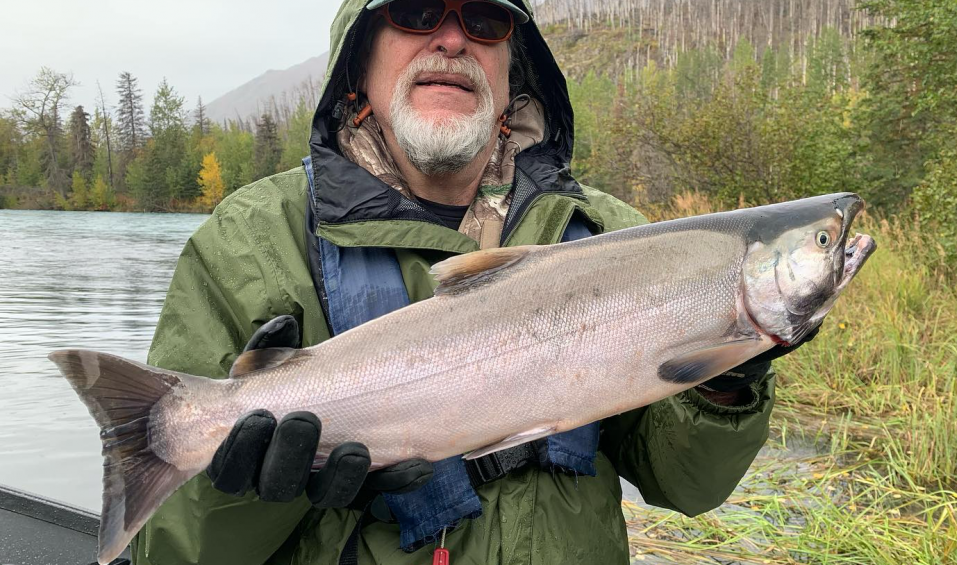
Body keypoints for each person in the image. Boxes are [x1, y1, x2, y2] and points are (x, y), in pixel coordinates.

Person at [132, 0, 814, 562]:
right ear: (358, 63)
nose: (452, 39)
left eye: (485, 20)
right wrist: (242, 492)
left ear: (513, 68)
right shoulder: (249, 242)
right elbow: (177, 550)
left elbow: (688, 484)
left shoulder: (615, 237)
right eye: (417, 11)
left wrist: (729, 381)